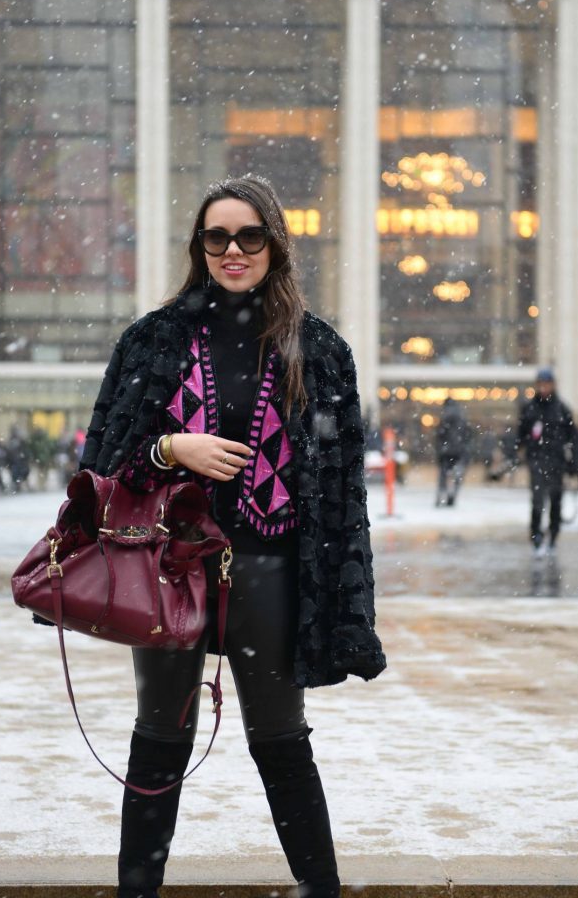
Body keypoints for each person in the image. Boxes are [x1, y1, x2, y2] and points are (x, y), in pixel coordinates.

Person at [80, 175, 386, 898]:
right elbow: (102, 464)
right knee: (158, 741)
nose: (233, 250)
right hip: (167, 566)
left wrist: (347, 604)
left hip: (270, 570)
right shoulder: (153, 340)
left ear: (275, 244)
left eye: (249, 235)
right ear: (199, 247)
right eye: (216, 237)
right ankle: (137, 894)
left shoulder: (317, 348)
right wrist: (170, 450)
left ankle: (320, 891)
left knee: (281, 743)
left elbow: (342, 496)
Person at [515, 368, 576, 556]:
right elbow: (521, 434)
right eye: (540, 383)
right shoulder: (530, 408)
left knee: (556, 501)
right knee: (537, 501)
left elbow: (572, 437)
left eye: (546, 383)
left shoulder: (562, 408)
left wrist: (573, 462)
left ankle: (553, 536)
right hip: (537, 460)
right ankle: (536, 537)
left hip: (557, 461)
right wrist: (519, 453)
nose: (543, 387)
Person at [434, 397, 471, 506]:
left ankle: (442, 494)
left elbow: (440, 435)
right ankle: (453, 493)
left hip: (446, 450)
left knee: (443, 474)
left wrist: (440, 449)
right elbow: (468, 435)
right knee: (457, 475)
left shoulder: (445, 416)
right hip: (460, 450)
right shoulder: (462, 416)